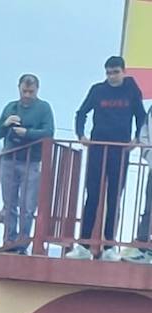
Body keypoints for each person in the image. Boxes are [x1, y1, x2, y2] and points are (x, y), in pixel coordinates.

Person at [69, 57, 147, 260]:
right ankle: (84, 246)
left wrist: (137, 139)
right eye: (108, 73)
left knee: (114, 198)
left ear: (123, 71)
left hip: (120, 150)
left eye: (115, 72)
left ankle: (110, 246)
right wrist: (81, 135)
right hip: (97, 148)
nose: (112, 76)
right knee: (92, 196)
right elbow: (81, 113)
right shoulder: (97, 90)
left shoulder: (131, 90)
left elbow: (141, 116)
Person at [0, 75, 56, 253]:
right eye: (24, 91)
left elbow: (49, 132)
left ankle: (22, 243)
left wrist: (27, 132)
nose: (27, 95)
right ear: (19, 88)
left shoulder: (43, 108)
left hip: (32, 160)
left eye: (31, 91)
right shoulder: (11, 107)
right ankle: (9, 241)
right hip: (9, 159)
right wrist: (6, 124)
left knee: (28, 206)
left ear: (37, 90)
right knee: (9, 203)